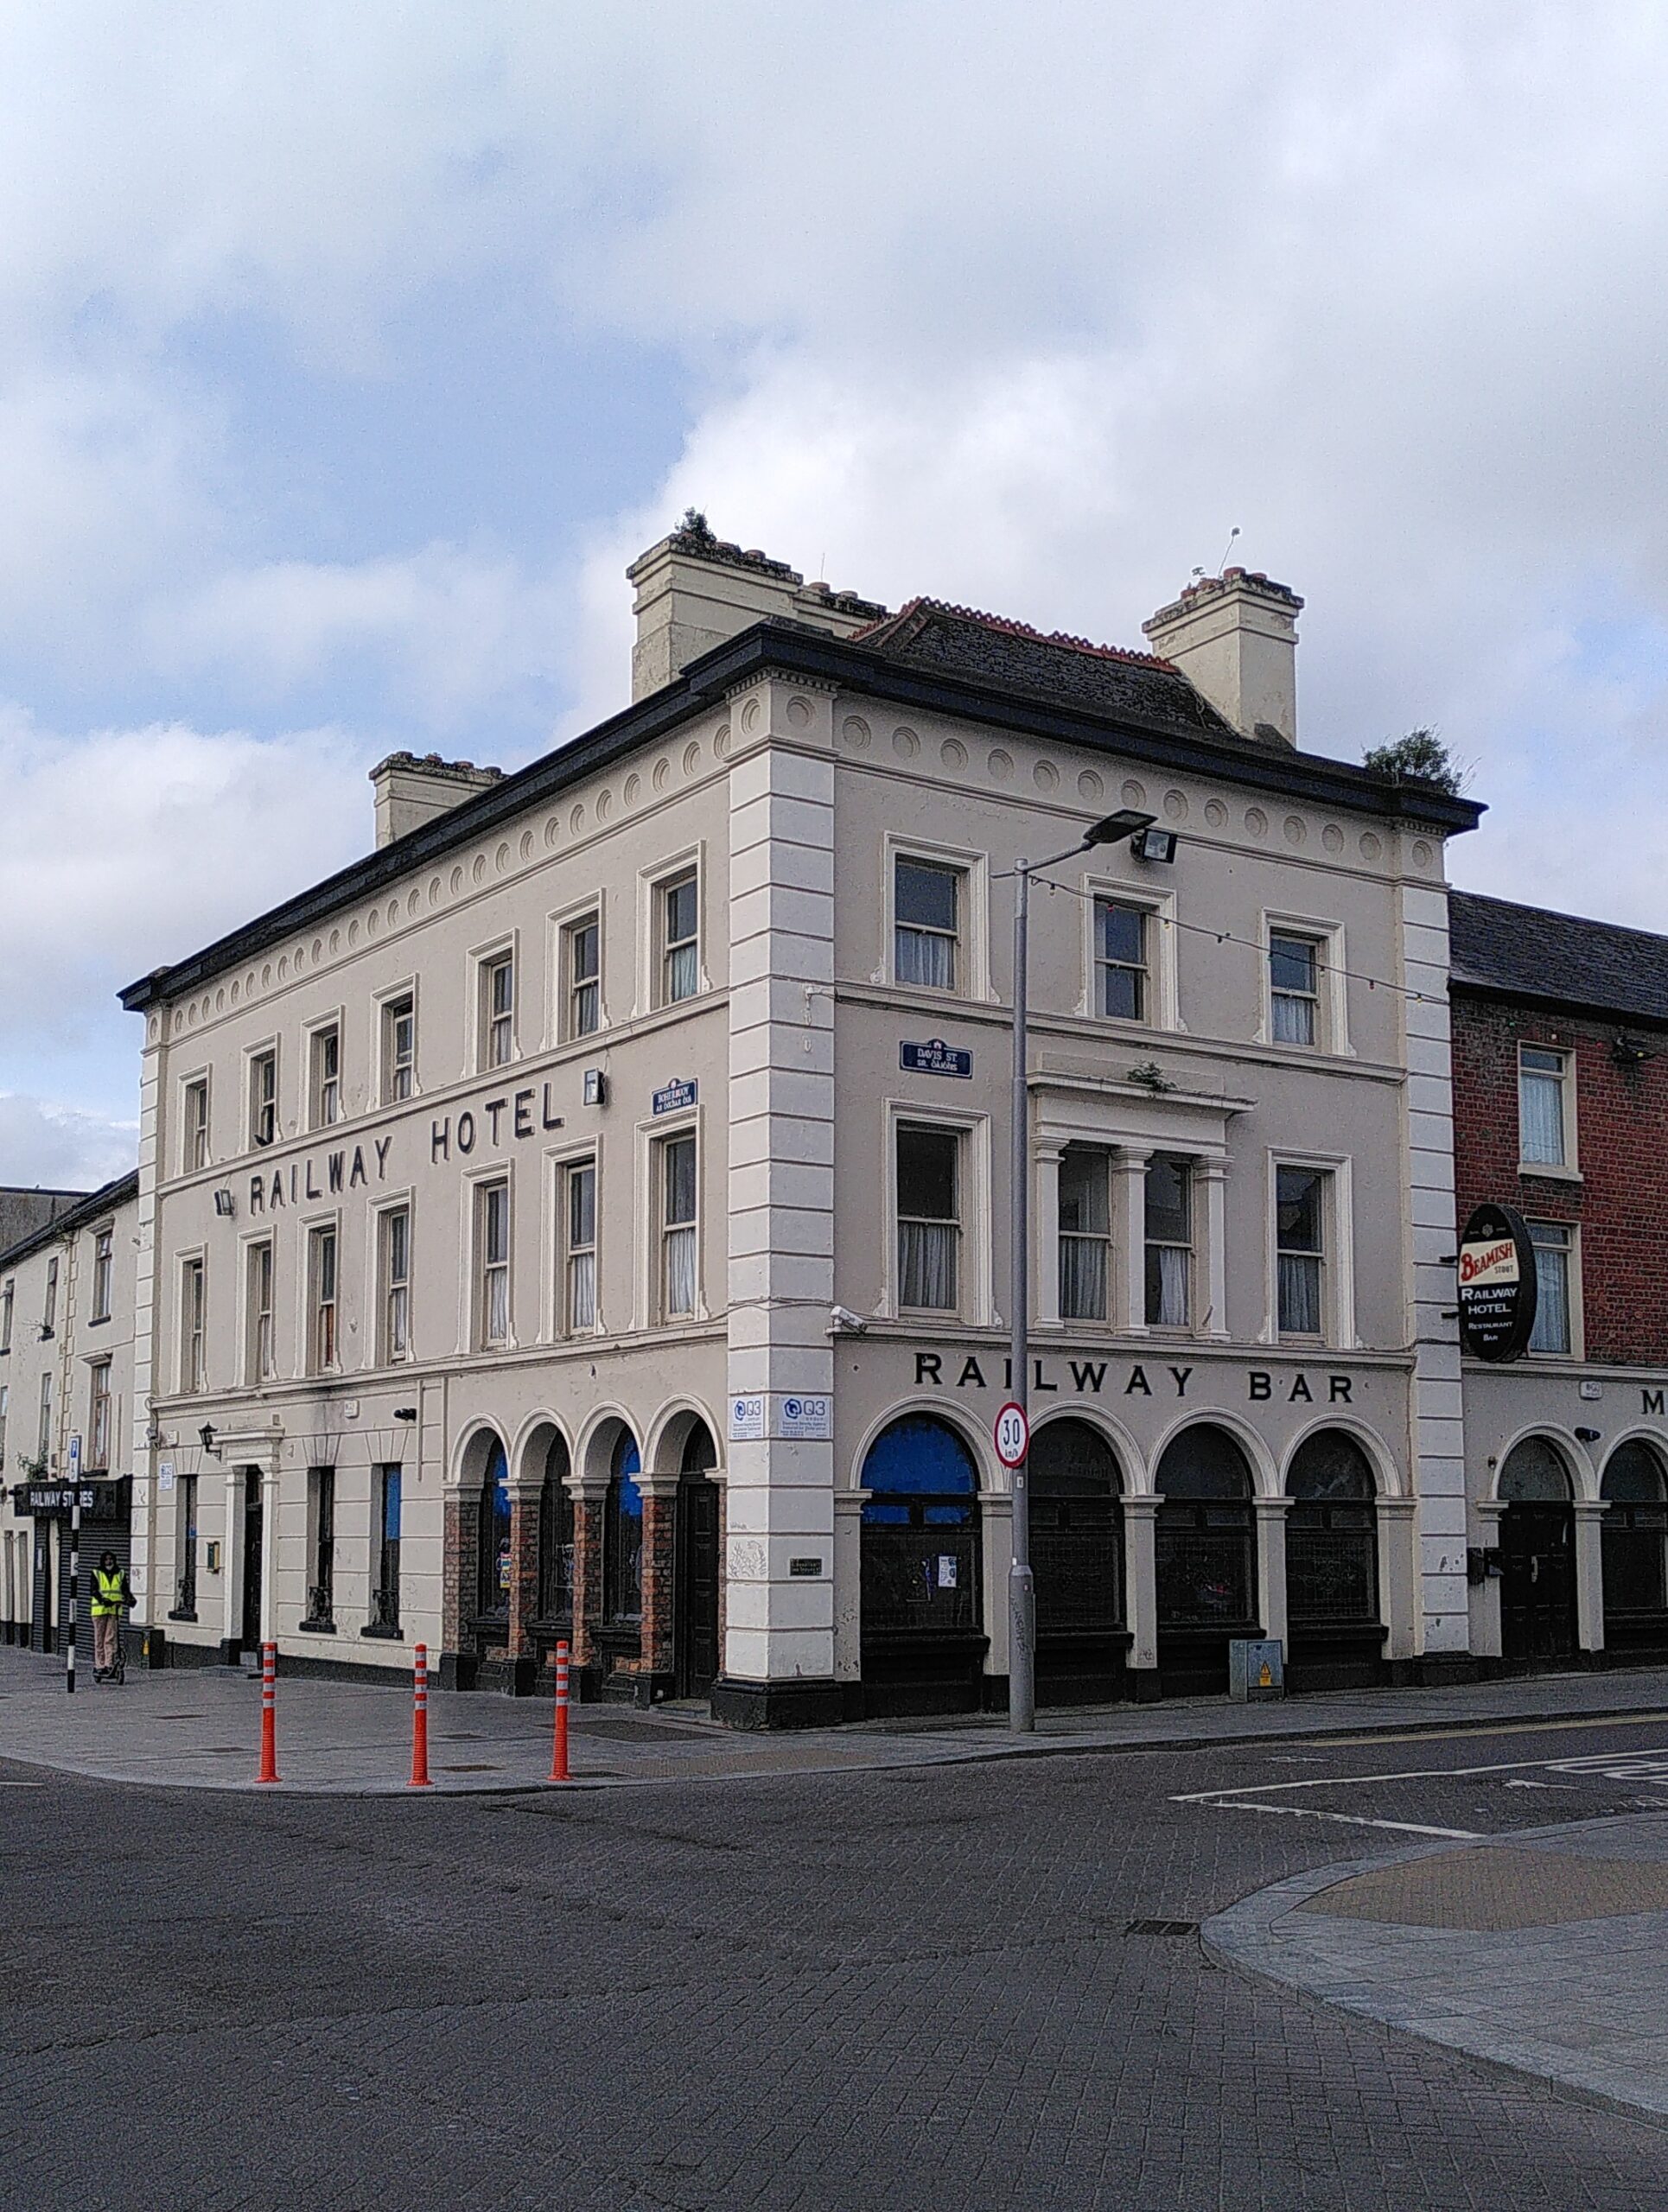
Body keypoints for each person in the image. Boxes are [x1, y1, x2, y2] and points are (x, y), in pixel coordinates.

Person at [92, 1551, 131, 1681]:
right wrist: (102, 1600)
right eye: (106, 1559)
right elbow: (93, 1590)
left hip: (114, 1609)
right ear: (103, 1561)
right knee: (99, 1638)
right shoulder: (96, 1572)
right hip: (100, 1610)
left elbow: (125, 1589)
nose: (109, 1562)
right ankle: (99, 1665)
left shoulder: (120, 1573)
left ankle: (109, 1664)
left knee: (111, 1638)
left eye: (111, 1559)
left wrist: (130, 1599)